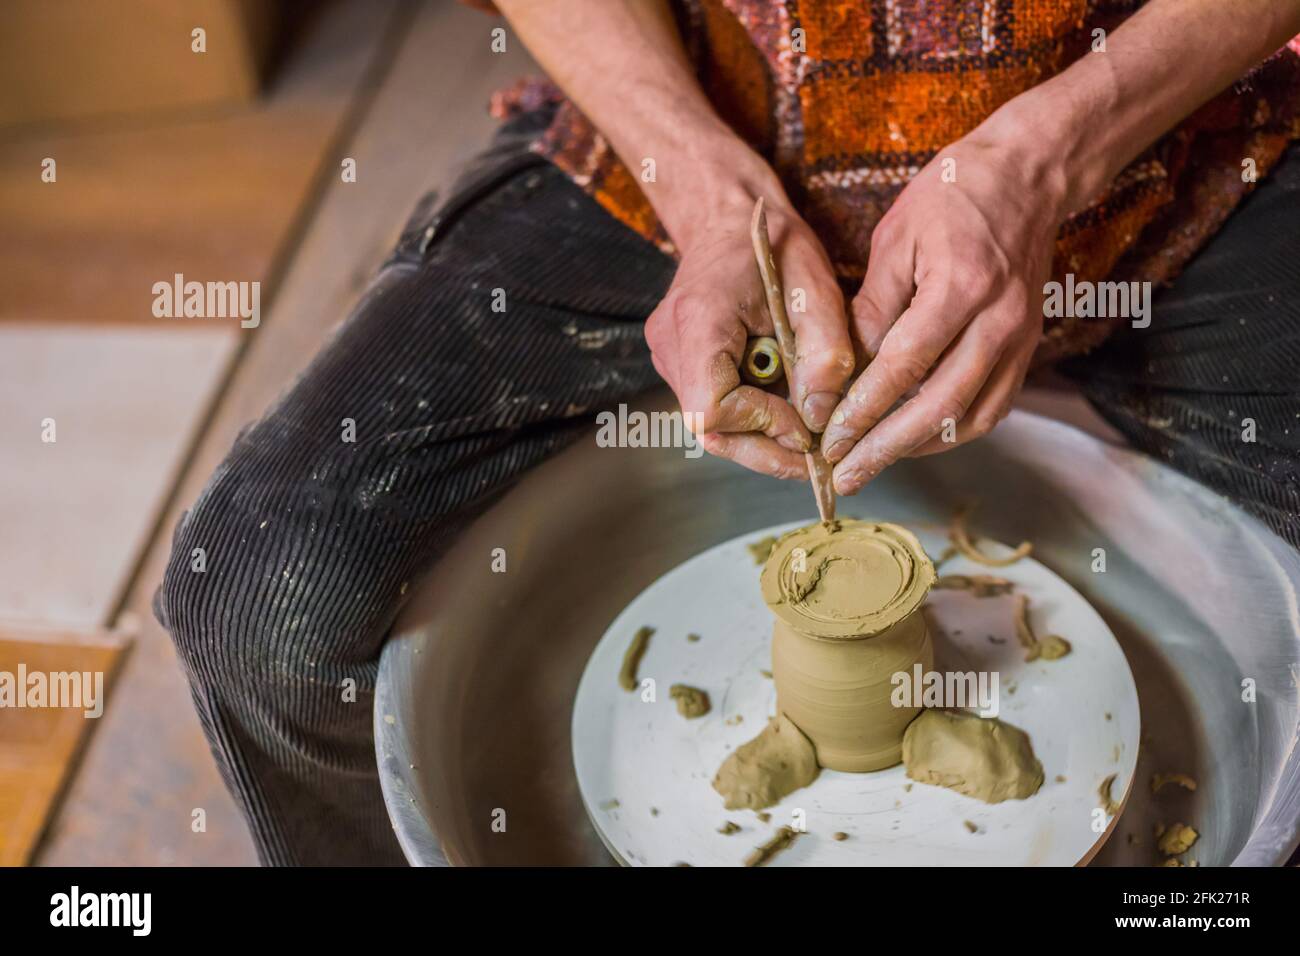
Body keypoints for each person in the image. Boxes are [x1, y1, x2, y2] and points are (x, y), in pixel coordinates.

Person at [156, 0, 1300, 864]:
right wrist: (706, 193)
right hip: (691, 138)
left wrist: (1046, 157)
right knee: (259, 596)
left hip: (1166, 138)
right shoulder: (698, 174)